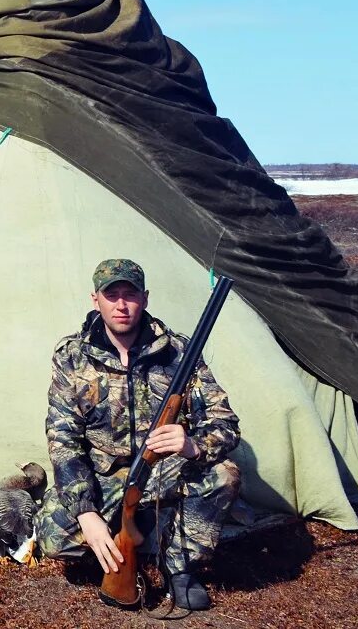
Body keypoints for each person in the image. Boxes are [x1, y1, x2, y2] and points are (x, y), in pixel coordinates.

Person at [37, 259, 241, 611]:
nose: (121, 304)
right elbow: (62, 438)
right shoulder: (72, 356)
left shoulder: (180, 352)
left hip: (166, 472)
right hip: (102, 477)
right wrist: (87, 512)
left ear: (144, 299)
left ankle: (179, 568)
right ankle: (125, 542)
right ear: (95, 299)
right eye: (111, 295)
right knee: (55, 539)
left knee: (224, 474)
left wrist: (192, 445)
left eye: (129, 295)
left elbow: (226, 424)